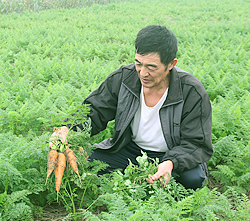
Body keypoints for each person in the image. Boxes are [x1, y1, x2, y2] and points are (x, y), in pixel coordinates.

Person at [49, 25, 212, 190]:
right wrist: (67, 128)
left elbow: (196, 143)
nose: (142, 73)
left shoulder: (191, 91)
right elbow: (95, 109)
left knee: (193, 180)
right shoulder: (124, 78)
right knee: (87, 163)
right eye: (138, 63)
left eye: (151, 67)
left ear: (171, 64)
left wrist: (171, 163)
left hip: (171, 154)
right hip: (130, 150)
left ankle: (162, 176)